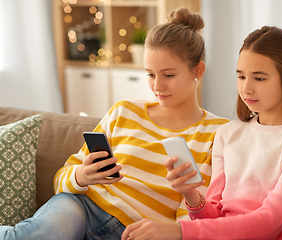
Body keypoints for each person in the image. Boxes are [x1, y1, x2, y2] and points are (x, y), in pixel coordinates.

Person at [0, 8, 228, 240]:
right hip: (82, 207)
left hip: (135, 232)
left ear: (197, 70)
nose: (157, 86)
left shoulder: (216, 133)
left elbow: (195, 219)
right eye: (150, 74)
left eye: (168, 75)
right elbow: (61, 179)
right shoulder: (124, 111)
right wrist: (82, 175)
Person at [121, 26, 282, 240]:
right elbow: (214, 218)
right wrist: (191, 194)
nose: (246, 89)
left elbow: (270, 223)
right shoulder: (228, 134)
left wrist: (179, 231)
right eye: (241, 77)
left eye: (259, 78)